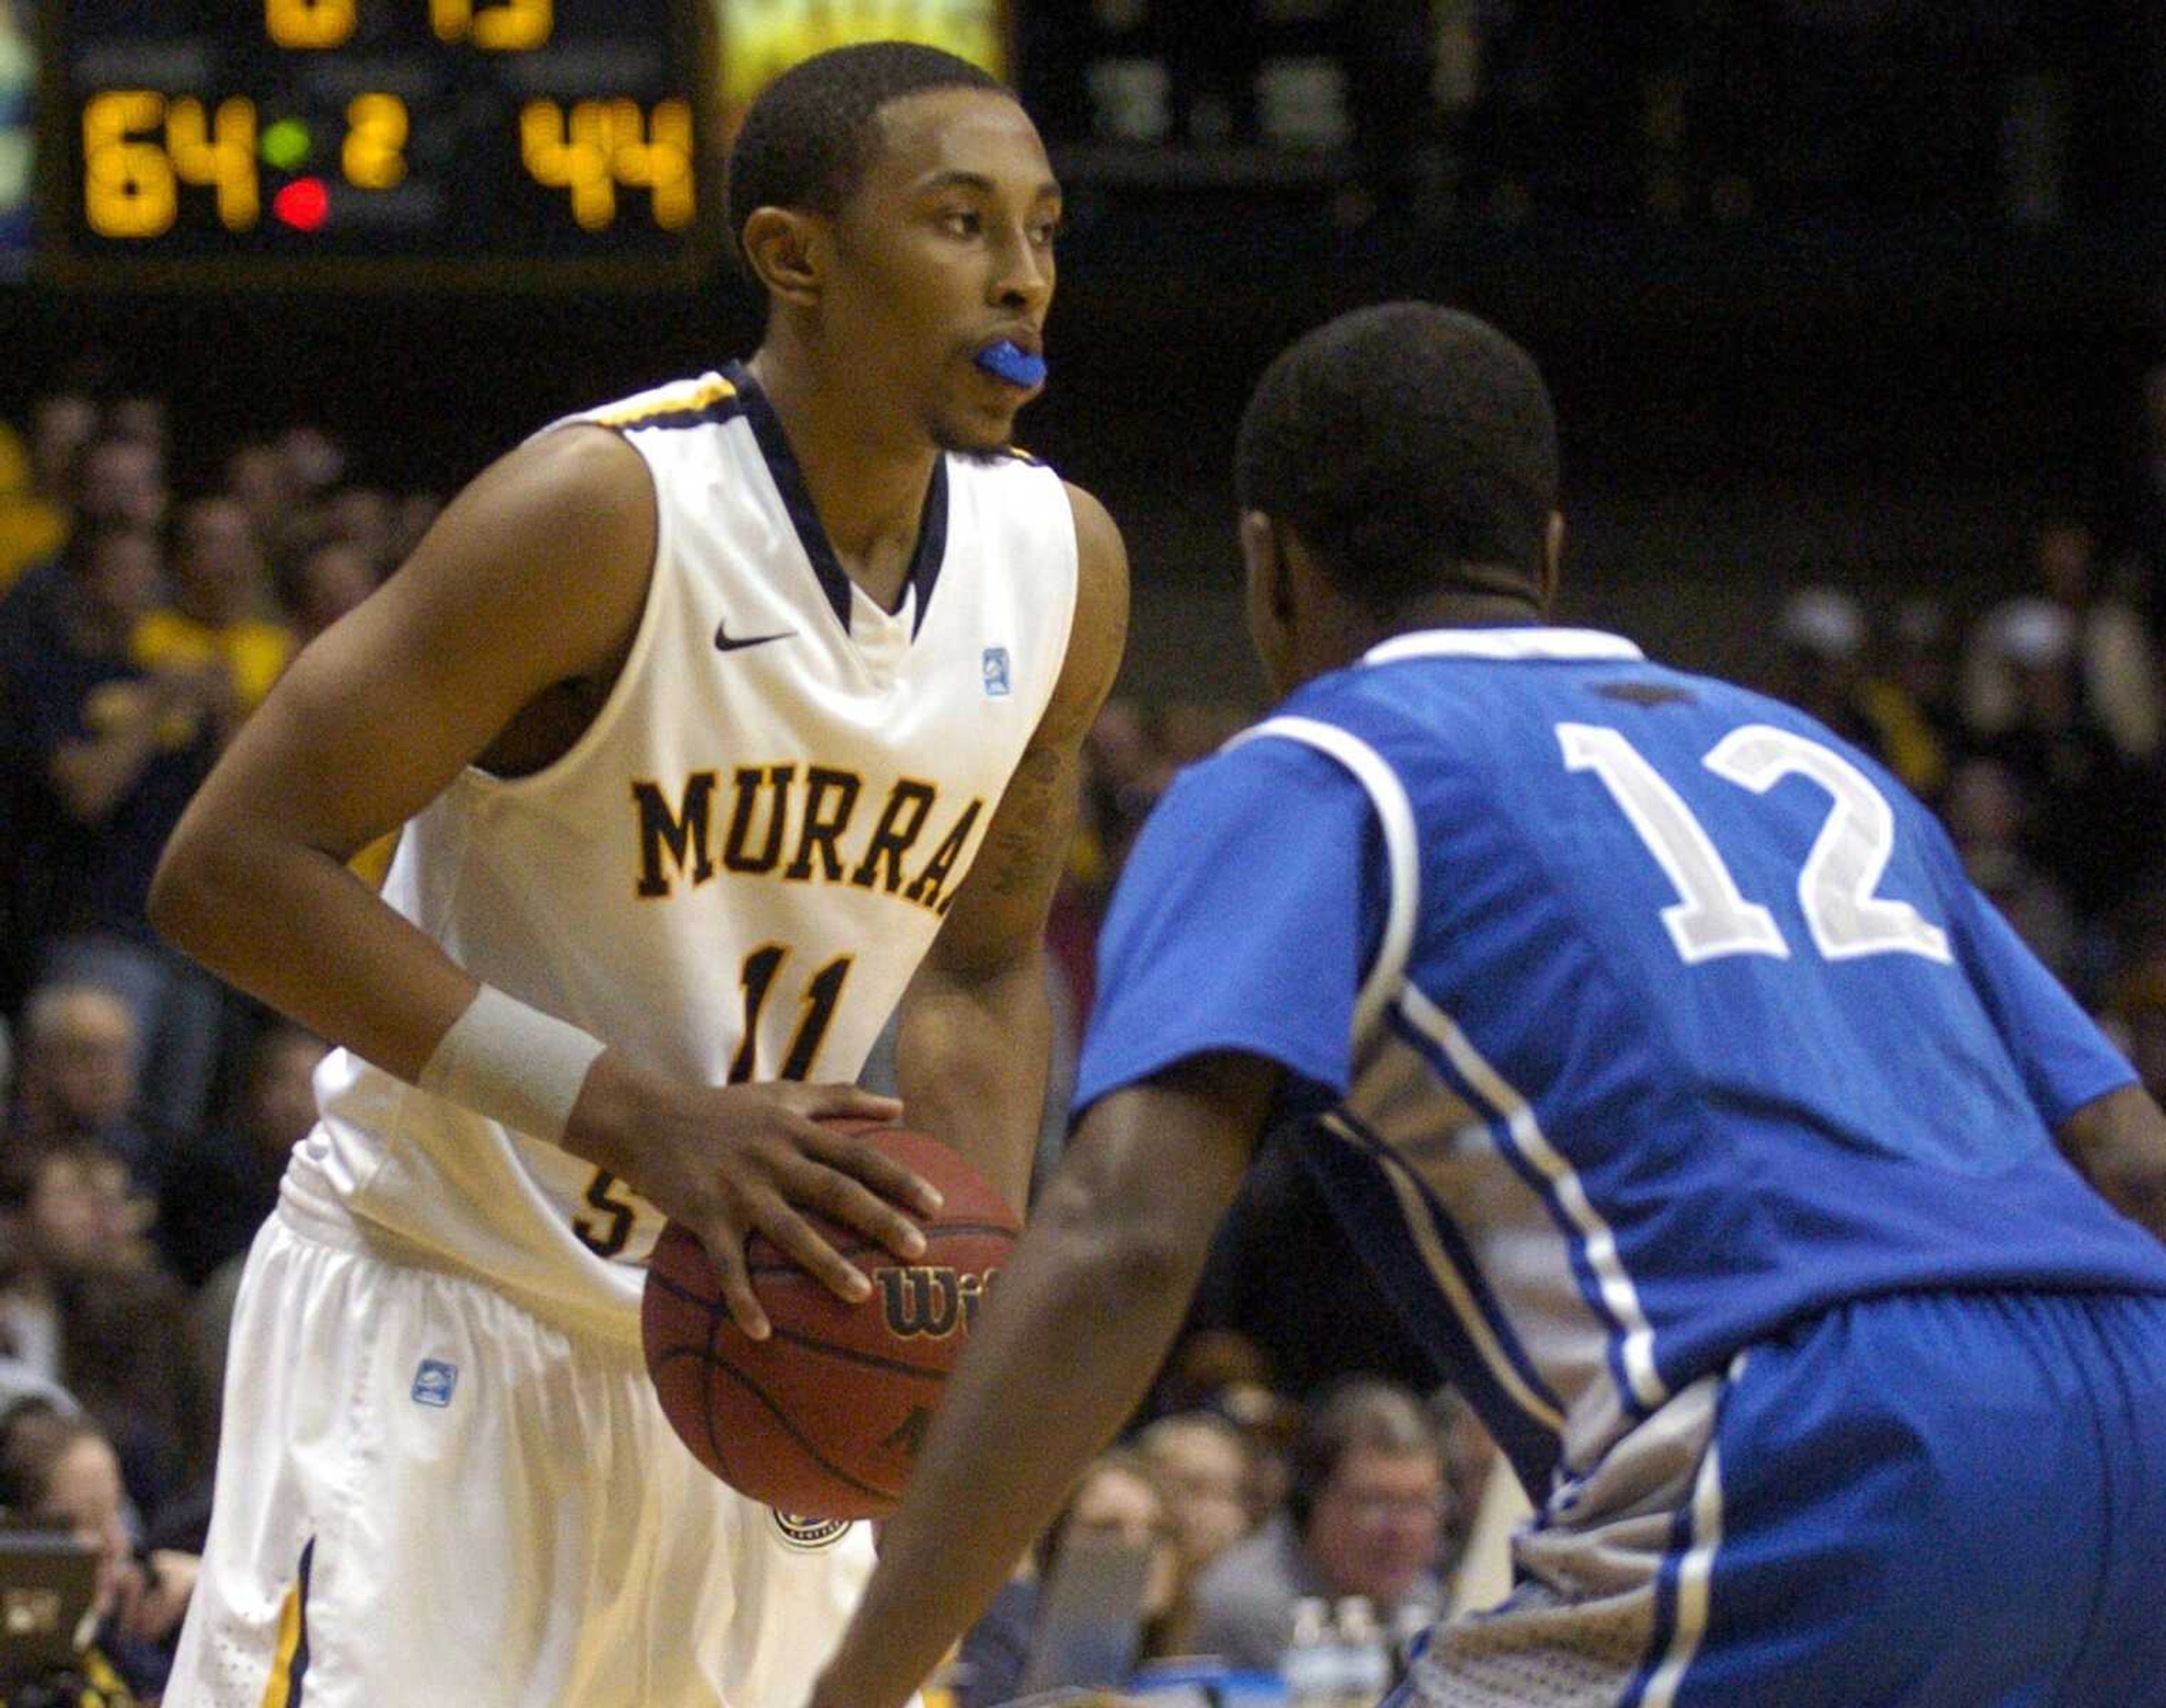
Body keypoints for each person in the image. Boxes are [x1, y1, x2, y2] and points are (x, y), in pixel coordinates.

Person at [808, 303, 2166, 1708]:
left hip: (1816, 1433)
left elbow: (1124, 1232)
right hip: (2135, 1391)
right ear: (1550, 553)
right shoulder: (1810, 756)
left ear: (1268, 570)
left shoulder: (1313, 770)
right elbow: (2128, 1157)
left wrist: (867, 1682)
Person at [147, 41, 1125, 1708]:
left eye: (1038, 225)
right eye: (958, 222)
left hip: (762, 1369)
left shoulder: (1061, 569)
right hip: (443, 1317)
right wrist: (629, 1114)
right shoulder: (599, 511)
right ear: (794, 255)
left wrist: (950, 1311)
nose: (1019, 269)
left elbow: (973, 970)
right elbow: (230, 867)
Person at [1187, 1380, 1446, 1671]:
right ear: (1309, 1502)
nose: (1402, 1530)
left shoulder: (1422, 1599)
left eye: (1420, 1502)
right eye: (1374, 1503)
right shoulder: (1248, 1605)